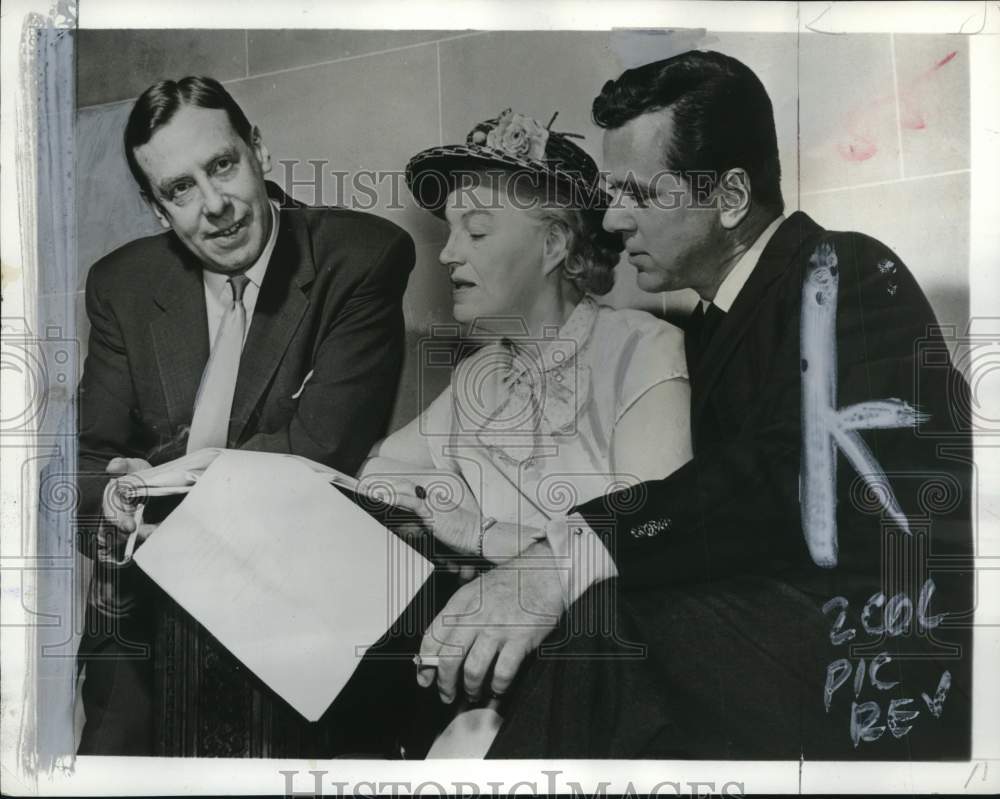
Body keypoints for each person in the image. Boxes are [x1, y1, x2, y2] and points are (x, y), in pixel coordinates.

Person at [417, 51, 973, 759]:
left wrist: (568, 553)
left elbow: (786, 476)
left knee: (608, 623)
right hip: (785, 646)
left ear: (731, 197)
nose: (612, 219)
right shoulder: (713, 325)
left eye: (639, 194)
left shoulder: (846, 271)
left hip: (882, 666)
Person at [74, 76, 415, 756]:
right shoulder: (122, 285)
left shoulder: (361, 256)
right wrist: (113, 502)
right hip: (146, 621)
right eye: (180, 189)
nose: (215, 206)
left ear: (257, 149)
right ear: (156, 208)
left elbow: (314, 452)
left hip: (294, 613)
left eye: (222, 165)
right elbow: (85, 465)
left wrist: (153, 485)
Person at [358, 112, 692, 721]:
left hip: (604, 681)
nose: (449, 254)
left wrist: (481, 533)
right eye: (451, 230)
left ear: (554, 244)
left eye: (477, 232)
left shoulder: (643, 350)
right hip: (478, 674)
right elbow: (378, 473)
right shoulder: (478, 377)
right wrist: (446, 500)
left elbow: (650, 540)